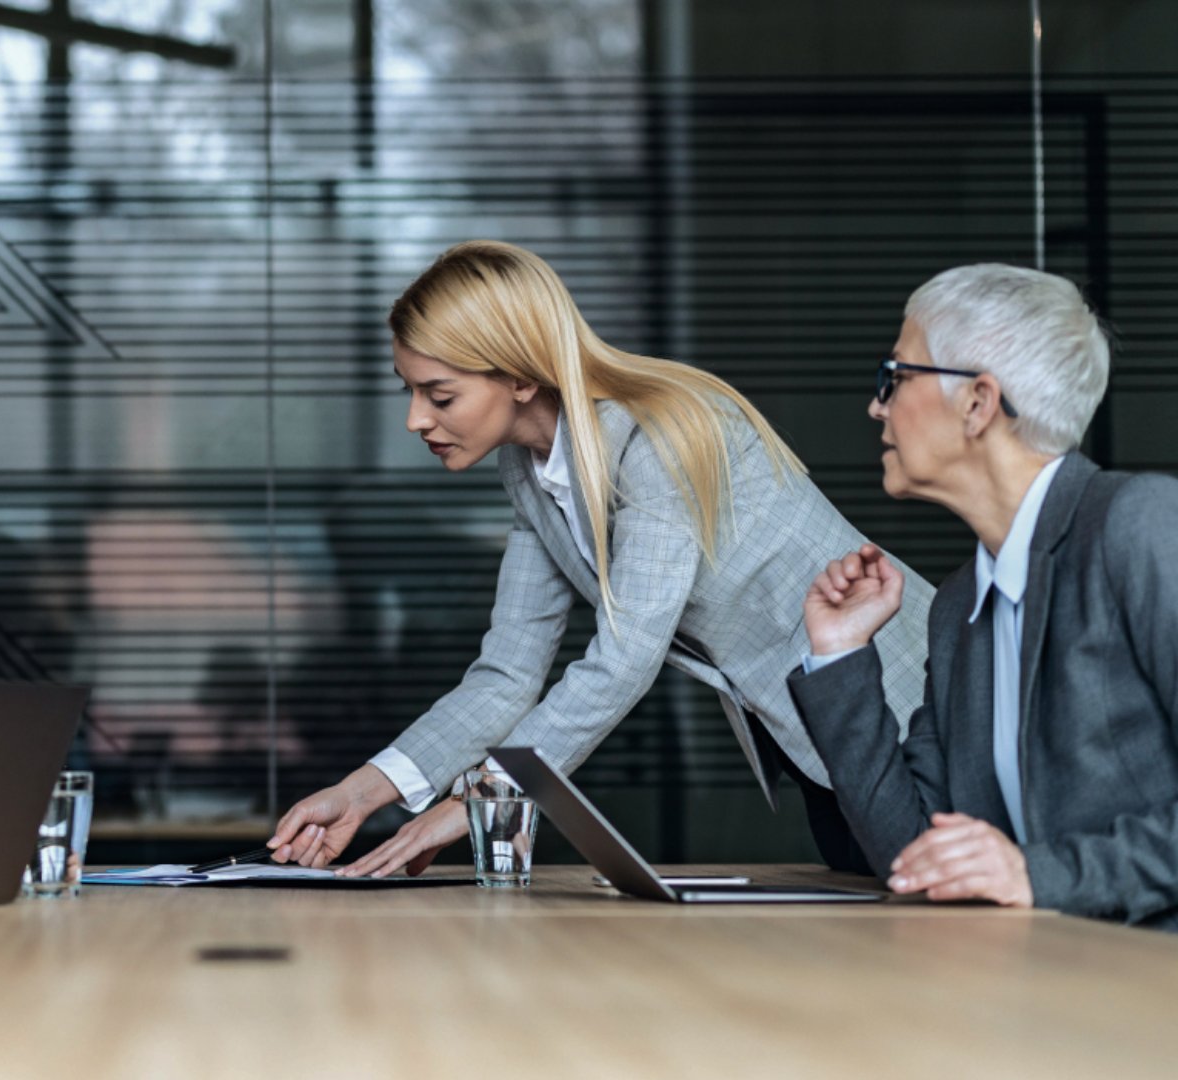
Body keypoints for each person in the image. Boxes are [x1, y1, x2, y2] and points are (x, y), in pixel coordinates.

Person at [267, 240, 933, 877]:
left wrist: (482, 799)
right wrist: (363, 791)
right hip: (820, 746)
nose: (416, 419)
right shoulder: (529, 474)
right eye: (409, 391)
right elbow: (506, 674)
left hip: (916, 710)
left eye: (440, 396)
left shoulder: (656, 439)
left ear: (522, 376)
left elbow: (623, 659)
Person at [790, 264, 1178, 928]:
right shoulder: (960, 603)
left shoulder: (1138, 526)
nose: (876, 406)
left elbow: (1029, 876)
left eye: (897, 377)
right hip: (1050, 986)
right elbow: (913, 854)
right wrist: (840, 655)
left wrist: (1038, 874)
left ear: (977, 402)